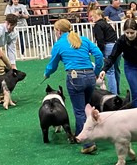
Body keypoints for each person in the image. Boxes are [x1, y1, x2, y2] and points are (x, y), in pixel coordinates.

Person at [43, 18, 105, 154]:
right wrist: (95, 72)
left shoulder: (59, 44)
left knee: (79, 110)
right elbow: (99, 55)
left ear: (58, 31)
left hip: (74, 77)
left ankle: (87, 143)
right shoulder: (83, 39)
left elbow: (53, 64)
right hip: (89, 75)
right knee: (86, 107)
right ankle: (84, 134)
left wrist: (46, 74)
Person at [101, 19, 137, 108]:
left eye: (132, 33)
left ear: (136, 31)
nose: (129, 35)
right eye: (127, 33)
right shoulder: (121, 41)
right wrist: (104, 69)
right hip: (130, 67)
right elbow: (113, 56)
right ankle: (136, 114)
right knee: (136, 92)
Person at [89, 5, 121, 94]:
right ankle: (117, 90)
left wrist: (101, 52)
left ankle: (112, 93)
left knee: (110, 71)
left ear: (97, 15)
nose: (91, 18)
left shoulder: (97, 25)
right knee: (116, 69)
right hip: (116, 45)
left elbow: (100, 40)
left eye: (92, 16)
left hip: (108, 47)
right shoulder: (106, 24)